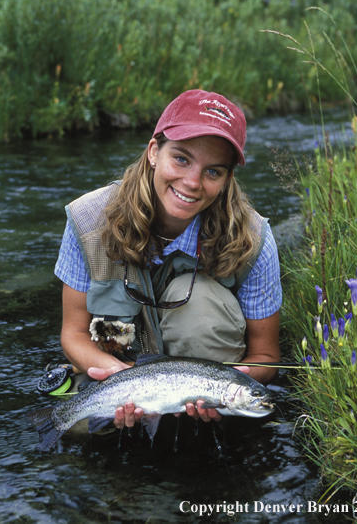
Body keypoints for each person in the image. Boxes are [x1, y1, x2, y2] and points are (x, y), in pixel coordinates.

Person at [54, 89, 282, 431]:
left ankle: (197, 430)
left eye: (213, 171)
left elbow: (266, 357)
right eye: (181, 158)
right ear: (153, 152)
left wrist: (229, 384)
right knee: (80, 432)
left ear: (227, 180)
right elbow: (72, 334)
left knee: (202, 305)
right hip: (119, 377)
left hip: (202, 396)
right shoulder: (88, 219)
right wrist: (121, 381)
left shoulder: (254, 240)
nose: (192, 182)